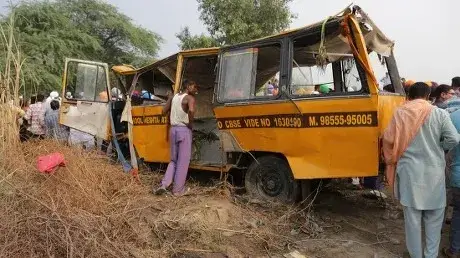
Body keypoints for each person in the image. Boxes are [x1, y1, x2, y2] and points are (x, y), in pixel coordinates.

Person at [382, 82, 459, 258]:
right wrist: (440, 145)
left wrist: (391, 158)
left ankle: (415, 255)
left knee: (412, 220)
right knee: (433, 218)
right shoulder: (439, 113)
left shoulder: (400, 113)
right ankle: (430, 255)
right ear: (428, 96)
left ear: (409, 96)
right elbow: (454, 139)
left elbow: (388, 138)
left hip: (409, 173)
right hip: (433, 173)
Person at [154, 80, 198, 196]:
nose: (196, 89)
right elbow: (192, 111)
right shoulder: (189, 98)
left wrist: (170, 101)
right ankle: (178, 190)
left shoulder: (174, 98)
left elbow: (163, 112)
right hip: (183, 130)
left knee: (173, 160)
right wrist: (190, 124)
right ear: (188, 87)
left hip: (173, 130)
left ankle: (164, 185)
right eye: (194, 87)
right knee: (183, 161)